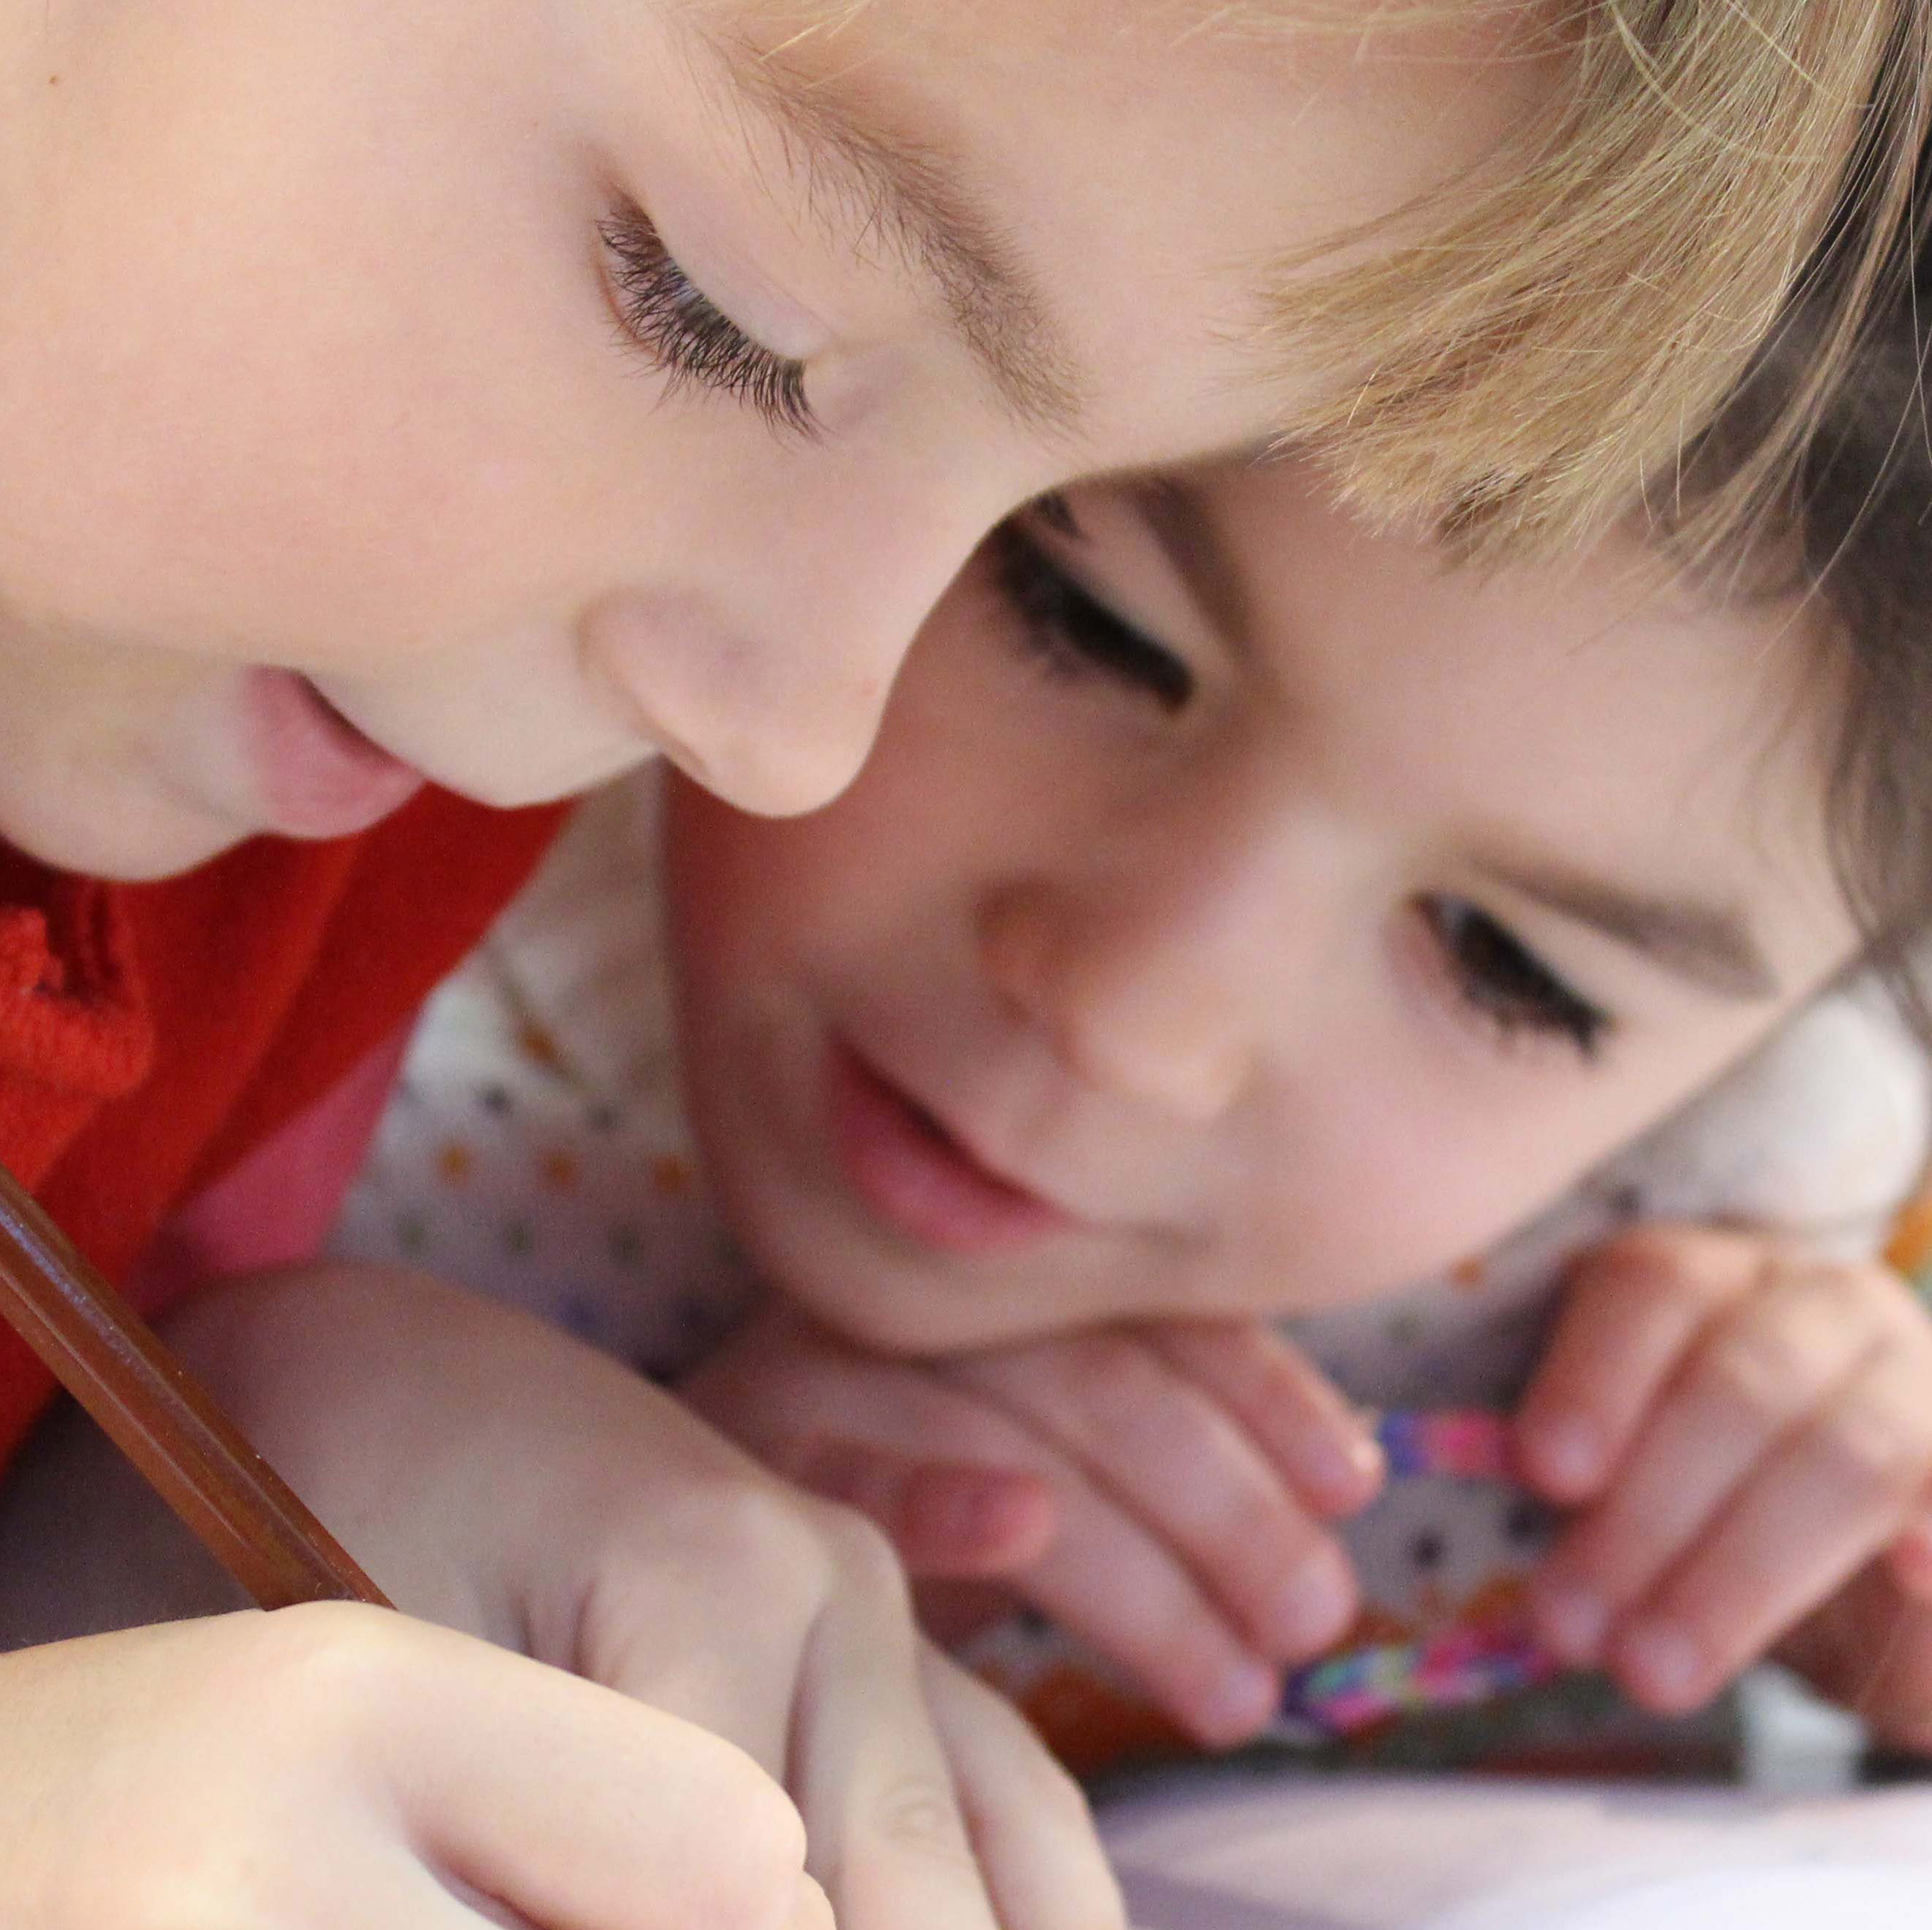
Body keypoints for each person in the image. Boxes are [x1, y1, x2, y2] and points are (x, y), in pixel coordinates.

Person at [0, 0, 1925, 1930]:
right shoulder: (331, 776)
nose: (790, 727)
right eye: (730, 315)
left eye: (1511, 975)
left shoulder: (319, 795)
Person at [341, 166, 1932, 1807]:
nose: (1126, 1021)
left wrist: (1854, 1581)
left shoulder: (1762, 1224)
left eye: (1507, 968)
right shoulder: (336, 888)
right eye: (1086, 625)